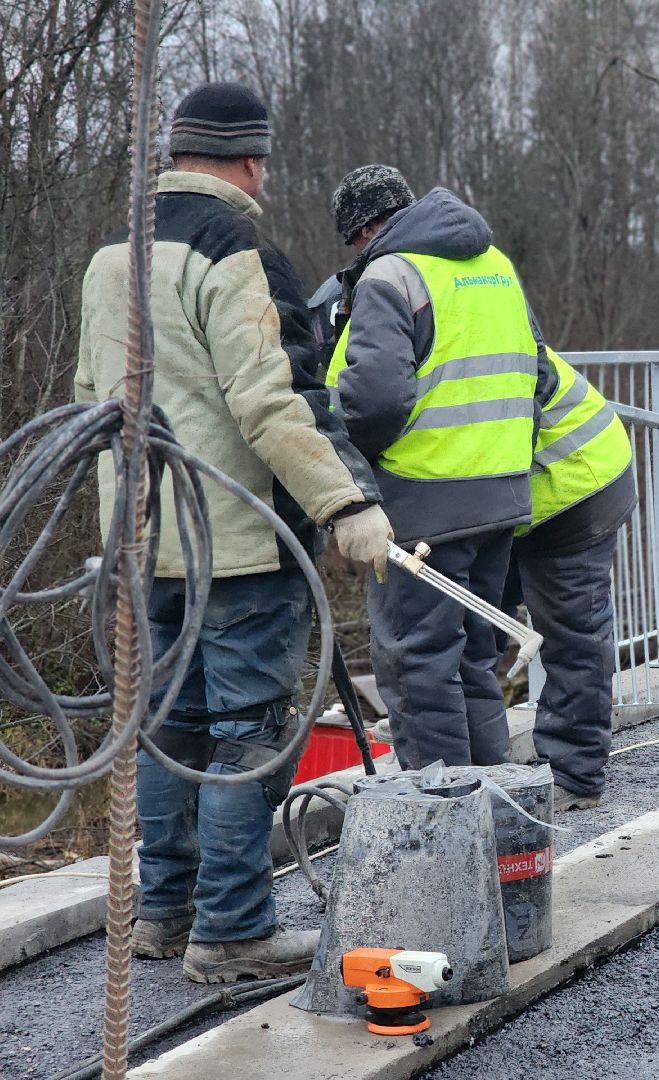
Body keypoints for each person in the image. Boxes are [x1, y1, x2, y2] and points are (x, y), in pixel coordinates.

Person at [74, 83, 392, 983]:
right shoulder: (241, 249)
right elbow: (273, 402)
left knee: (168, 728)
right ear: (249, 159)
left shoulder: (113, 257)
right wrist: (347, 507)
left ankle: (163, 917)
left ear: (176, 154)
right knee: (247, 734)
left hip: (144, 542)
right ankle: (234, 929)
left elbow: (87, 399)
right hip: (243, 549)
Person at [324, 165, 549, 770]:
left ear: (366, 228)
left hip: (422, 505)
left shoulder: (389, 275)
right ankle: (499, 823)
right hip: (501, 496)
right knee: (474, 660)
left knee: (419, 669)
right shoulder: (496, 266)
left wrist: (347, 469)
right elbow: (541, 374)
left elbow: (376, 399)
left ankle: (444, 837)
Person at [501, 350, 636, 810]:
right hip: (507, 496)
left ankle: (576, 774)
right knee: (466, 620)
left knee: (572, 634)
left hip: (576, 484)